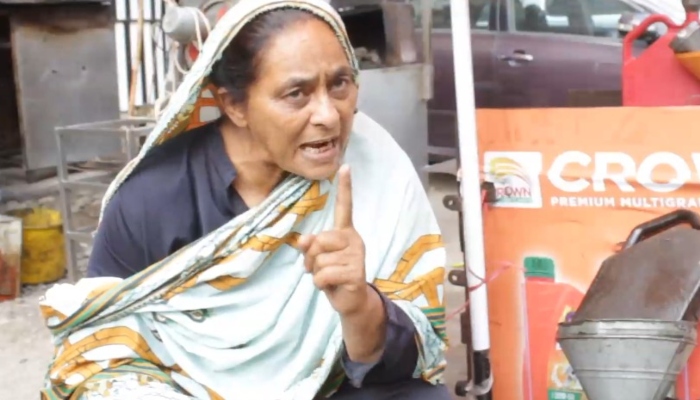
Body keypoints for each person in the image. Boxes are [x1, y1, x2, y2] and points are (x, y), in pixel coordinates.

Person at [39, 0, 450, 399]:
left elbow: (406, 362)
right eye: (297, 94)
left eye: (339, 84)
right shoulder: (152, 199)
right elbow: (97, 351)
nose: (329, 114)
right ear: (233, 104)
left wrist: (360, 305)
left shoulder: (375, 165)